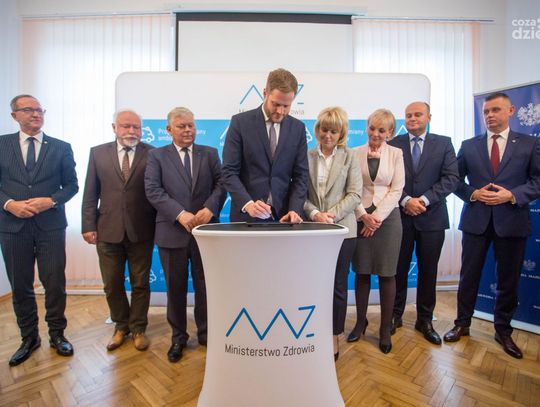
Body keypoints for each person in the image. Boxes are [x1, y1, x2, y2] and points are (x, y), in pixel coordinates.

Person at [444, 92, 540, 359]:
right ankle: (462, 323)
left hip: (512, 221)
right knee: (468, 276)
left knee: (508, 279)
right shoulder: (469, 145)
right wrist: (473, 193)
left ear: (511, 111)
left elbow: (537, 181)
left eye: (495, 110)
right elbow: (454, 180)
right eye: (486, 111)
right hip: (476, 221)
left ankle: (503, 331)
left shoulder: (529, 144)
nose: (489, 115)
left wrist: (512, 195)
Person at [0, 94, 79, 366]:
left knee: (54, 283)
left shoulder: (60, 147)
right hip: (12, 228)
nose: (36, 114)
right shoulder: (2, 145)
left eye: (39, 110)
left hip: (50, 227)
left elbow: (72, 185)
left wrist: (52, 200)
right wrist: (9, 204)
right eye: (28, 110)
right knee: (21, 285)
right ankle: (29, 338)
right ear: (14, 115)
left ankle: (57, 334)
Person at [145, 107, 225, 363]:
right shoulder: (156, 156)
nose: (188, 130)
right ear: (169, 130)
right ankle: (178, 337)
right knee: (175, 288)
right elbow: (153, 190)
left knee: (205, 286)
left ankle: (206, 334)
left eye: (191, 125)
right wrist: (180, 215)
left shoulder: (209, 153)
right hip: (172, 232)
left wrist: (210, 208)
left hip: (205, 233)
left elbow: (221, 184)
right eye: (182, 126)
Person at [82, 110, 156, 352]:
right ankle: (121, 326)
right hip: (107, 230)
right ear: (114, 127)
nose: (131, 131)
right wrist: (88, 225)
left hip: (142, 230)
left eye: (136, 127)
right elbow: (90, 193)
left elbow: (157, 193)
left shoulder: (153, 153)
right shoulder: (98, 153)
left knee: (140, 283)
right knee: (112, 284)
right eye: (126, 126)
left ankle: (139, 328)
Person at [388, 102, 459, 345]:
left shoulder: (444, 143)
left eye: (417, 114)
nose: (412, 118)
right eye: (408, 115)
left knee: (428, 271)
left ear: (429, 117)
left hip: (433, 218)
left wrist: (424, 200)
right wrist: (406, 200)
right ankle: (395, 316)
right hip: (401, 217)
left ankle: (424, 320)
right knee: (398, 269)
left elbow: (451, 178)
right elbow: (387, 180)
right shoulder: (393, 143)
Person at [304, 107, 361, 361]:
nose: (328, 135)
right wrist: (316, 214)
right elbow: (300, 194)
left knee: (338, 286)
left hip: (342, 232)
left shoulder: (350, 156)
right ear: (318, 130)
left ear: (342, 133)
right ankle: (312, 332)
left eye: (334, 131)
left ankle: (334, 335)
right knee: (314, 285)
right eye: (324, 130)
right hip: (313, 231)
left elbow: (355, 194)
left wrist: (331, 216)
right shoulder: (306, 156)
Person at [347, 109, 405, 354]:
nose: (376, 134)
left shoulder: (396, 154)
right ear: (367, 127)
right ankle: (360, 322)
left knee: (386, 274)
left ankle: (384, 330)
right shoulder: (353, 153)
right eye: (372, 128)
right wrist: (363, 216)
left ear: (390, 132)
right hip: (360, 217)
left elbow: (397, 189)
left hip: (387, 220)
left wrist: (376, 218)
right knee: (362, 272)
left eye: (382, 130)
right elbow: (350, 188)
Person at [222, 68, 308, 223]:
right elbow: (229, 172)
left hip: (284, 219)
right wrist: (248, 204)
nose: (280, 111)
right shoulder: (240, 123)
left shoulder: (298, 129)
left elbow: (301, 176)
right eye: (276, 104)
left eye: (286, 106)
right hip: (246, 219)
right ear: (265, 93)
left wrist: (294, 209)